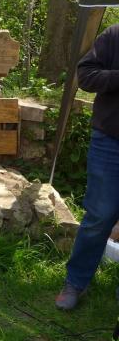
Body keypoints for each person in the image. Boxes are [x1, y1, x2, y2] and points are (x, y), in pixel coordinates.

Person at [55, 23, 119, 310]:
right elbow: (86, 75)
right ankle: (76, 282)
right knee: (99, 216)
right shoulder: (114, 35)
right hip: (110, 140)